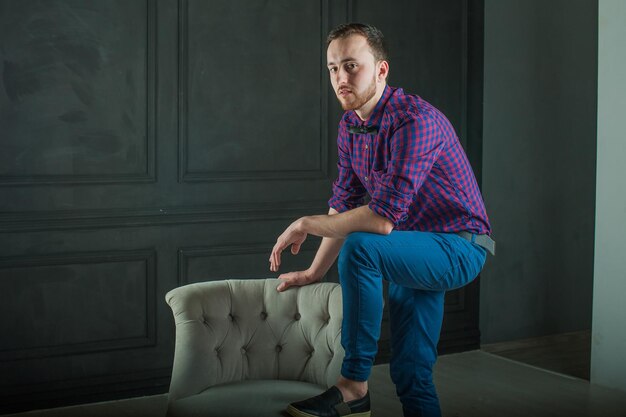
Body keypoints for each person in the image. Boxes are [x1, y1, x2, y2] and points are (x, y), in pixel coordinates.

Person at [269, 23, 493, 417]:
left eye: (352, 66)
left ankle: (353, 384)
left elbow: (381, 220)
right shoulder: (351, 125)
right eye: (333, 68)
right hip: (414, 246)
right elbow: (343, 207)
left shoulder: (415, 120)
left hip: (460, 246)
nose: (341, 78)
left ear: (382, 70)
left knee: (361, 247)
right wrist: (313, 272)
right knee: (411, 372)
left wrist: (304, 223)